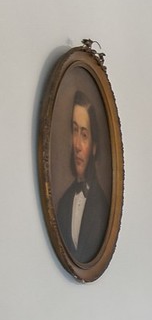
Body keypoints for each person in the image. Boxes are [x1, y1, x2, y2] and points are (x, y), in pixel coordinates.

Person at [53, 91, 111, 264]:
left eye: (84, 135)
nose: (77, 145)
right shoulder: (63, 203)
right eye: (75, 130)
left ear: (94, 147)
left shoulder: (102, 207)